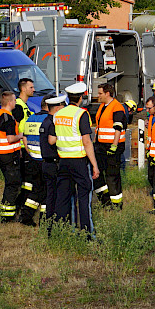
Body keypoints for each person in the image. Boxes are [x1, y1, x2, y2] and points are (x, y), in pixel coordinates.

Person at [50, 82, 100, 233]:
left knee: (63, 198)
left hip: (63, 162)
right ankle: (87, 233)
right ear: (81, 97)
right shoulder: (81, 114)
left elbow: (52, 139)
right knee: (84, 197)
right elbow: (87, 142)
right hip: (78, 161)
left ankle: (62, 231)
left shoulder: (58, 114)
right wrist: (95, 165)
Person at [17, 89, 50, 226]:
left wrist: (30, 152)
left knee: (36, 189)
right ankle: (44, 219)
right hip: (44, 160)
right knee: (47, 190)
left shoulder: (31, 119)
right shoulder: (48, 120)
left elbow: (24, 137)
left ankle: (26, 216)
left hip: (32, 159)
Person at [0, 88, 24, 223]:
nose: (16, 102)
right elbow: (10, 139)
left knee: (11, 182)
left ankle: (7, 212)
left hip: (0, 153)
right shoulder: (8, 118)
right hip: (7, 154)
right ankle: (7, 216)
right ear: (10, 102)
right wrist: (22, 135)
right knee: (13, 184)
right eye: (15, 100)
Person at [92, 83, 127, 210]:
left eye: (100, 93)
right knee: (98, 173)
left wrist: (114, 145)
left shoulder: (117, 107)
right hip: (100, 146)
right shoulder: (102, 106)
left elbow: (118, 127)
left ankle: (117, 205)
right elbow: (99, 127)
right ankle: (105, 201)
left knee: (112, 176)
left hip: (112, 147)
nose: (98, 96)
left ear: (108, 93)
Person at [39, 94, 63, 226]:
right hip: (53, 164)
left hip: (45, 163)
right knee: (54, 195)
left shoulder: (45, 121)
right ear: (58, 108)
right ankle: (53, 223)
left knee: (49, 194)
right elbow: (52, 140)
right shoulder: (53, 122)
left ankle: (47, 221)